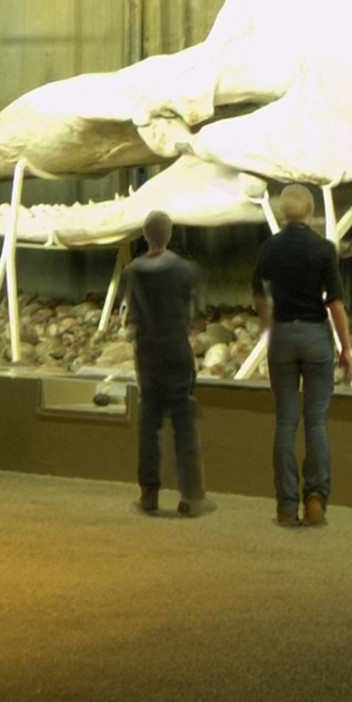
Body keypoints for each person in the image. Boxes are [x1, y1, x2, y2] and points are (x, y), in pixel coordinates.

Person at [251, 182, 352, 527]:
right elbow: (334, 302)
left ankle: (285, 505)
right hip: (315, 338)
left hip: (281, 336)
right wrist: (346, 350)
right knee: (316, 422)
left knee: (285, 422)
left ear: (281, 213)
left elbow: (260, 298)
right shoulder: (323, 249)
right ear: (311, 212)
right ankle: (315, 499)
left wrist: (270, 331)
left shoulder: (269, 249)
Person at [121, 210, 208, 518]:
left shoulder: (133, 272)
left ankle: (149, 492)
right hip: (177, 354)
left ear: (146, 235)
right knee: (184, 425)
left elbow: (132, 318)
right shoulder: (187, 270)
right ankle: (190, 494)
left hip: (148, 356)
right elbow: (193, 310)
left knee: (148, 426)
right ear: (170, 234)